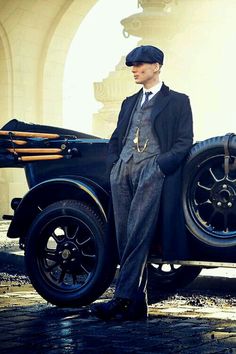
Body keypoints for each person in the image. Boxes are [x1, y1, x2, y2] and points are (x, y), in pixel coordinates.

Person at [91, 45, 193, 321]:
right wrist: (114, 166)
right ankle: (138, 304)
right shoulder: (128, 102)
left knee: (138, 232)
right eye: (132, 66)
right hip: (123, 171)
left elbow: (185, 142)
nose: (135, 70)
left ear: (157, 66)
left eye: (140, 65)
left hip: (152, 171)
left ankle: (121, 299)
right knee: (124, 234)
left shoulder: (178, 101)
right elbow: (116, 138)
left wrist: (159, 166)